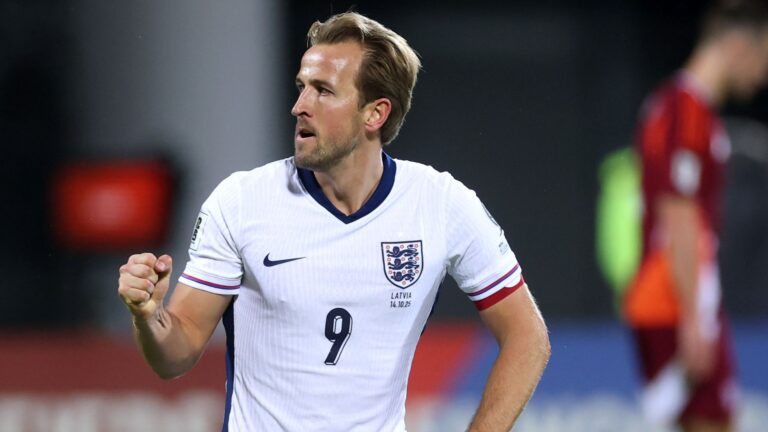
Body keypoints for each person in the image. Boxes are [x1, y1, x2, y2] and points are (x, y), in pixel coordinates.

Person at [117, 12, 550, 432]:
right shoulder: (241, 201)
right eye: (301, 87)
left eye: (323, 91)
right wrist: (148, 316)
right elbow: (175, 355)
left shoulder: (441, 204)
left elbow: (528, 338)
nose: (299, 106)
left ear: (375, 114)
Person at [624, 1, 768, 431]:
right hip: (674, 298)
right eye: (764, 55)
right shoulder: (685, 110)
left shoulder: (675, 107)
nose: (763, 73)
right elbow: (679, 217)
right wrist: (692, 317)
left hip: (673, 296)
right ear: (739, 45)